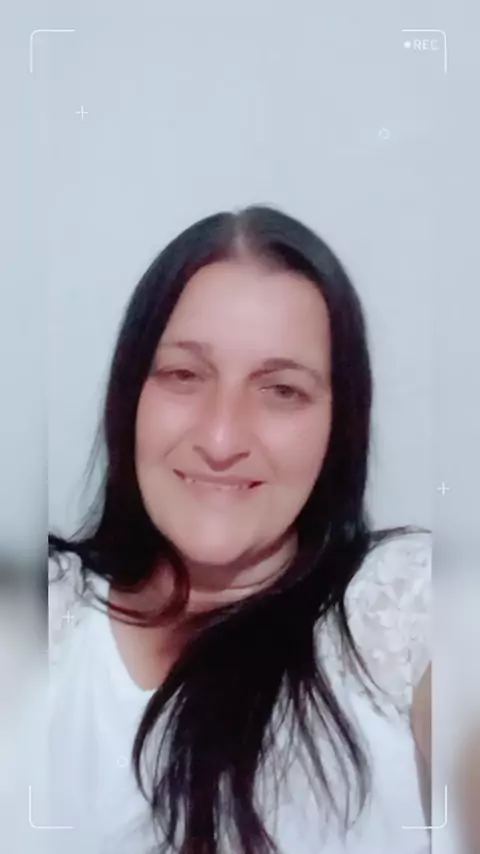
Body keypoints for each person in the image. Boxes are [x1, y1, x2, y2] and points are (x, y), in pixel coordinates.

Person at [48, 205, 431, 854]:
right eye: (184, 375)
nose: (222, 439)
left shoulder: (402, 606)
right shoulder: (44, 612)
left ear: (338, 425)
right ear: (130, 396)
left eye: (281, 390)